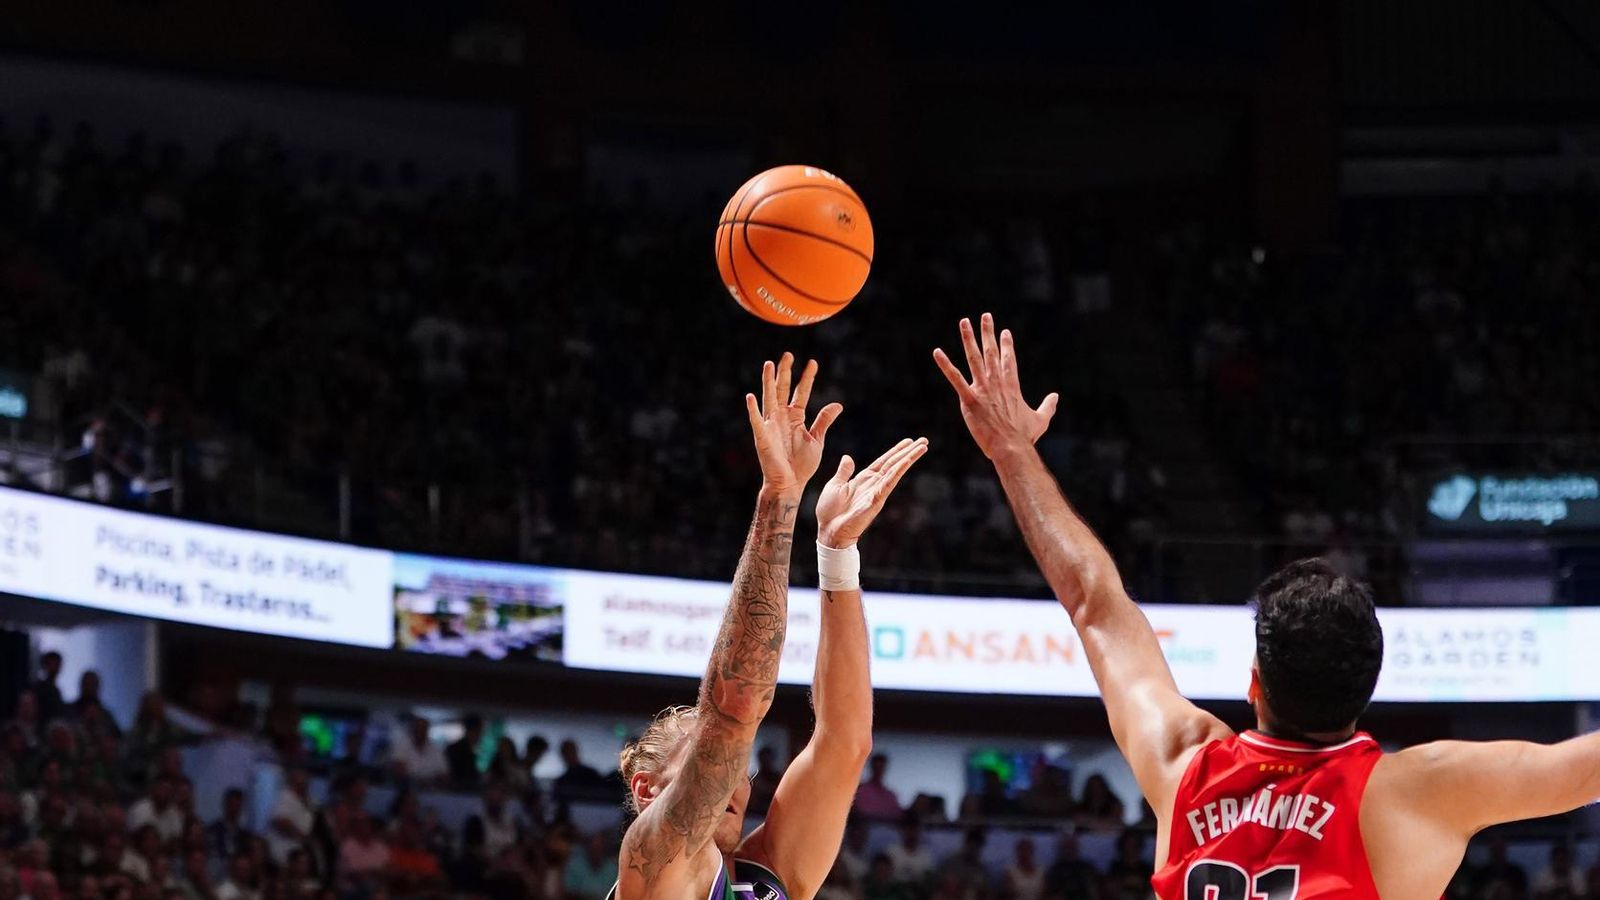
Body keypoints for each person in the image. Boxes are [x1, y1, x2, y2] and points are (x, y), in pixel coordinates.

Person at [934, 312, 1600, 899]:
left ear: (1254, 683)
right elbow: (1580, 770)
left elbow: (1093, 603)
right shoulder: (1412, 793)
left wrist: (1013, 452)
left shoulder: (1184, 762)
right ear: (1366, 687)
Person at [611, 354, 926, 900]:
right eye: (709, 758)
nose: (736, 776)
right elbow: (731, 712)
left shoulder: (768, 874)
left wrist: (836, 554)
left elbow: (844, 743)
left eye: (741, 767)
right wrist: (780, 495)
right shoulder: (653, 862)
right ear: (647, 790)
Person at [387, 716, 447, 786]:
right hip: (405, 787)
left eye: (423, 729)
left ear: (427, 731)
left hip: (431, 788)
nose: (420, 732)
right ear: (413, 730)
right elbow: (398, 769)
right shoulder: (401, 745)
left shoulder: (435, 748)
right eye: (418, 729)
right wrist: (417, 780)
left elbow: (444, 774)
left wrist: (431, 781)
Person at [565, 832, 619, 900]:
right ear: (587, 846)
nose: (595, 850)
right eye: (593, 846)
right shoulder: (575, 865)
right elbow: (568, 892)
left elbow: (616, 894)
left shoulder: (612, 868)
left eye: (598, 847)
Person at [206, 788, 255, 862]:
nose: (235, 809)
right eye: (232, 804)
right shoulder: (213, 831)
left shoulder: (246, 836)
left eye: (238, 806)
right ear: (225, 805)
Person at [884, 819, 935, 886]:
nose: (911, 834)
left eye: (914, 830)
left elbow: (929, 881)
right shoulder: (891, 852)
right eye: (909, 830)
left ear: (919, 832)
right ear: (902, 831)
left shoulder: (926, 856)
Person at [852, 755, 901, 823]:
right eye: (877, 768)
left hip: (887, 827)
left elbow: (897, 814)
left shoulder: (890, 795)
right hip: (867, 826)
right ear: (872, 768)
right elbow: (860, 812)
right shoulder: (861, 790)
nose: (879, 771)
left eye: (881, 768)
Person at [445, 715, 484, 788]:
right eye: (480, 730)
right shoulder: (454, 749)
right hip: (459, 789)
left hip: (477, 789)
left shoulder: (482, 749)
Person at [30, 653, 64, 726]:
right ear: (44, 666)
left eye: (57, 664)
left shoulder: (56, 690)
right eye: (52, 664)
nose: (55, 667)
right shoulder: (38, 688)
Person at [748, 747, 783, 815]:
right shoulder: (754, 778)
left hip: (773, 813)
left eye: (767, 758)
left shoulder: (778, 778)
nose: (765, 761)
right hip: (756, 814)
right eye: (763, 758)